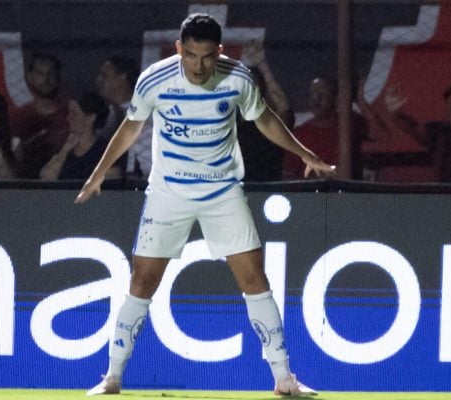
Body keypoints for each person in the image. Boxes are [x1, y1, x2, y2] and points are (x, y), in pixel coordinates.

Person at [75, 13, 334, 396]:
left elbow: (265, 119)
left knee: (255, 279)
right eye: (191, 55)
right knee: (141, 282)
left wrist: (304, 153)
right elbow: (131, 127)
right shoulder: (155, 80)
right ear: (179, 48)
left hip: (222, 191)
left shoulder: (238, 78)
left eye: (207, 56)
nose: (198, 66)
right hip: (169, 193)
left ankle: (284, 379)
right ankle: (111, 377)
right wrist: (98, 174)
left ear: (220, 51)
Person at [385, 80, 451, 183]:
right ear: (447, 112)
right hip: (445, 192)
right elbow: (414, 127)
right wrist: (396, 114)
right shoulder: (440, 132)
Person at [282, 76, 386, 180]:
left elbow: (381, 137)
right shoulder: (300, 133)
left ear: (336, 99)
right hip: (314, 188)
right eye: (312, 95)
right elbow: (289, 175)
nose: (316, 100)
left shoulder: (350, 122)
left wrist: (361, 102)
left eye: (322, 94)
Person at [237, 39, 293, 181]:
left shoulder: (271, 124)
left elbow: (282, 104)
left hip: (267, 185)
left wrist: (262, 64)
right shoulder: (231, 125)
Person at [10, 52, 69, 178]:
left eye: (51, 73)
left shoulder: (72, 114)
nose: (46, 79)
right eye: (40, 74)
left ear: (58, 77)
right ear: (30, 77)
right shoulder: (18, 116)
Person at [96, 55, 152, 181]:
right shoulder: (108, 115)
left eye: (104, 76)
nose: (99, 80)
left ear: (122, 77)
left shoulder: (145, 116)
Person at [39, 91, 117, 180]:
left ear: (90, 118)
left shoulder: (106, 150)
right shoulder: (65, 148)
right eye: (69, 113)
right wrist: (65, 150)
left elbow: (111, 180)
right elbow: (46, 177)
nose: (68, 118)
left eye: (74, 114)